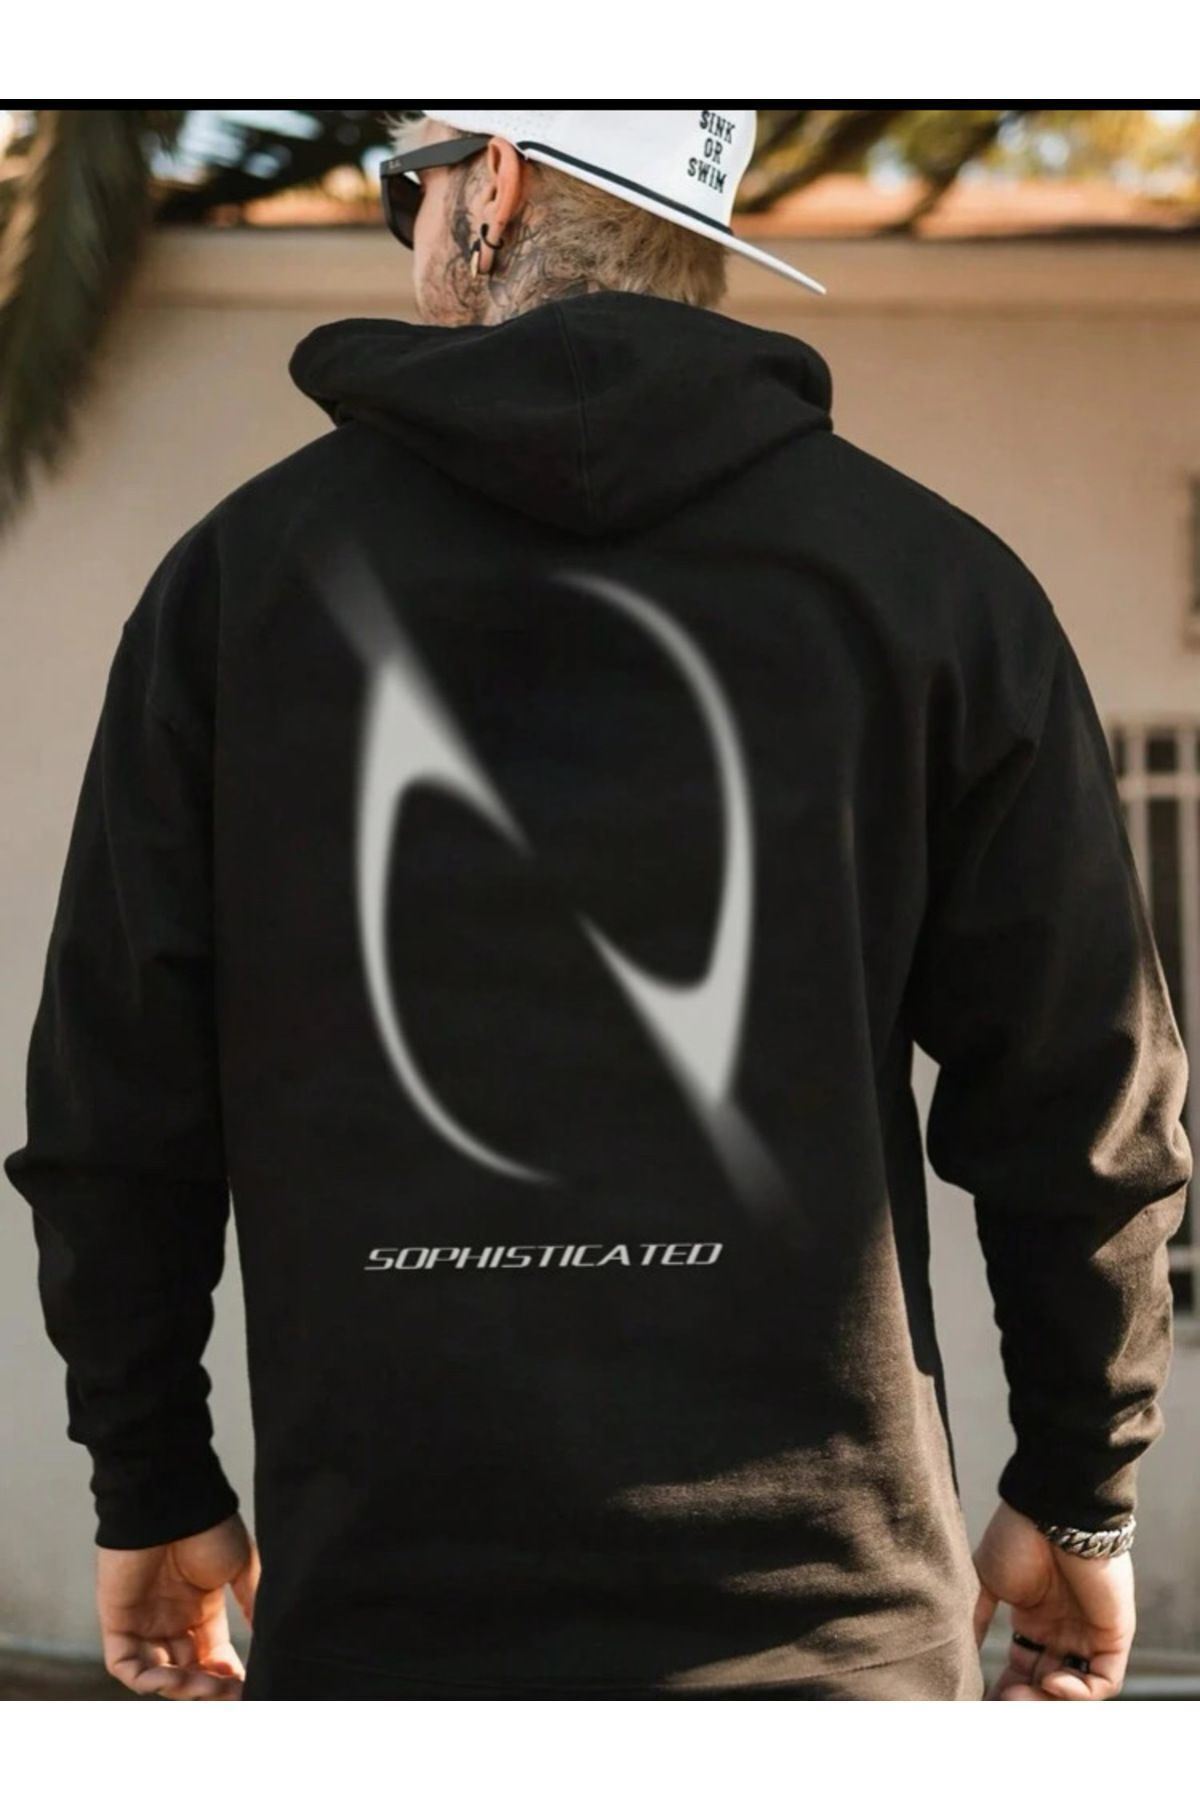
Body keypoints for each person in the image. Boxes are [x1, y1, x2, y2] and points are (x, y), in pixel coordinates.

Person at [4, 108, 1192, 1703]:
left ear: (491, 183)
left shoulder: (239, 589)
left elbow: (114, 1106)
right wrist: (1080, 1487)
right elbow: (1087, 1098)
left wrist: (150, 1481)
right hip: (834, 1658)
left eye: (409, 189)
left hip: (394, 1651)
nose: (410, 235)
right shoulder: (935, 588)